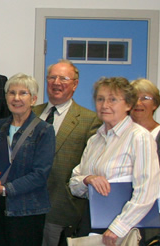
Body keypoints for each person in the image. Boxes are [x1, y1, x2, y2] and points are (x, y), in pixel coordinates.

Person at [69, 77, 160, 246]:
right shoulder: (94, 140)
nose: (105, 105)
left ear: (128, 105)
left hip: (126, 230)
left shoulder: (139, 138)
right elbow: (74, 184)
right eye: (100, 99)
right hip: (92, 224)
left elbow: (147, 192)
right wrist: (88, 179)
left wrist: (118, 227)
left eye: (112, 100)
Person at [0, 73, 55, 246]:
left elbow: (40, 174)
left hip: (27, 210)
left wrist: (4, 189)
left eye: (23, 93)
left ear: (33, 99)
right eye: (11, 93)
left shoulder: (44, 130)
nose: (16, 98)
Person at [34, 60, 102, 246]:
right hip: (26, 208)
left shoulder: (90, 120)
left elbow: (90, 164)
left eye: (63, 78)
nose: (57, 82)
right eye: (52, 77)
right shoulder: (31, 113)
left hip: (61, 209)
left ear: (75, 84)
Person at [130, 78, 160, 243]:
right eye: (134, 97)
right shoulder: (119, 133)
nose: (138, 102)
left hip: (148, 216)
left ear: (155, 104)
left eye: (145, 98)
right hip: (115, 213)